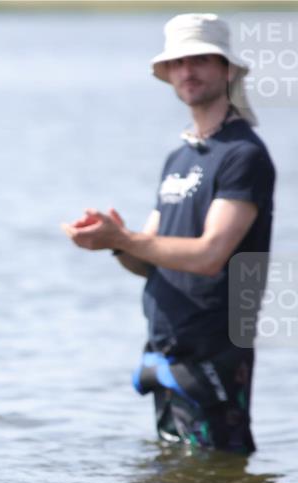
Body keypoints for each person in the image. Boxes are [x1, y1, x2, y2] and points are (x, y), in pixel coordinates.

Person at [62, 14, 275, 454]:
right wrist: (113, 241)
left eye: (200, 59)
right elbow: (148, 259)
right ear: (167, 74)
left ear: (228, 69)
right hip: (167, 349)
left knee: (218, 479)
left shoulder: (243, 156)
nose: (187, 71)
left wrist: (122, 239)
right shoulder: (179, 158)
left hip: (217, 352)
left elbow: (209, 255)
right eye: (177, 62)